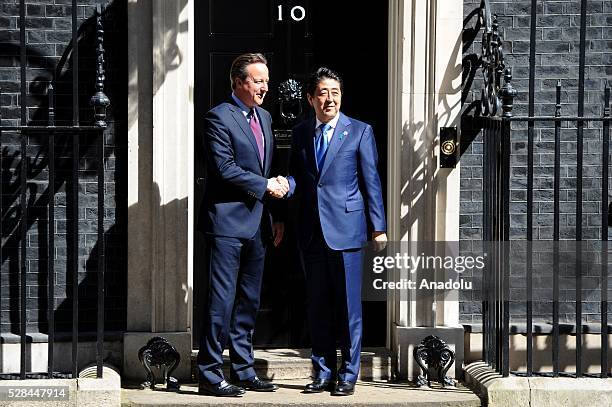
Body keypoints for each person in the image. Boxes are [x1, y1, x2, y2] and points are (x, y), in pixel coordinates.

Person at [286, 67, 387, 396]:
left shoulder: (359, 131)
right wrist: (279, 198)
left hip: (347, 231)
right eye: (323, 93)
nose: (330, 99)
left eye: (335, 92)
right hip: (312, 233)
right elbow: (296, 180)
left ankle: (348, 373)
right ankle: (322, 370)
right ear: (311, 98)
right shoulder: (301, 133)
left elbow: (371, 182)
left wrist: (379, 228)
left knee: (348, 308)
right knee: (317, 306)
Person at [196, 53, 288, 397]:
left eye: (266, 80)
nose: (265, 86)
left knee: (248, 301)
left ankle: (243, 369)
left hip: (258, 224)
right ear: (238, 82)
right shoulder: (218, 117)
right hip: (226, 224)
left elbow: (269, 167)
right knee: (221, 301)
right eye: (257, 80)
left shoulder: (264, 117)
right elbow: (225, 168)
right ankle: (208, 374)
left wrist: (276, 215)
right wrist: (265, 186)